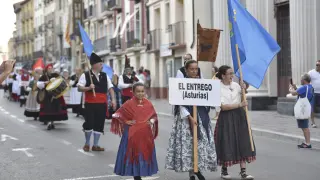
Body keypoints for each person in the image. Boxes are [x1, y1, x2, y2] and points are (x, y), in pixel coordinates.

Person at [165, 60, 217, 180]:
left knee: (200, 144)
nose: (194, 71)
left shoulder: (202, 83)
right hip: (186, 119)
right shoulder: (181, 84)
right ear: (186, 70)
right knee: (189, 145)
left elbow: (208, 98)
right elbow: (180, 103)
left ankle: (197, 169)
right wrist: (189, 117)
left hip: (201, 117)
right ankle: (192, 173)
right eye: (191, 69)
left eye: (196, 69)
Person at [214, 65, 255, 180]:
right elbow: (223, 107)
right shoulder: (218, 88)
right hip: (226, 117)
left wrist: (243, 91)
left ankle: (243, 172)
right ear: (223, 75)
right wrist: (239, 105)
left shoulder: (236, 85)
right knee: (226, 141)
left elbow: (243, 101)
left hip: (239, 116)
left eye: (232, 73)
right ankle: (224, 170)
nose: (232, 76)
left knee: (243, 141)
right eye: (230, 74)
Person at [111, 82, 159, 180]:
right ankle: (136, 176)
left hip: (145, 135)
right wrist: (125, 121)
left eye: (142, 91)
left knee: (143, 154)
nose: (140, 93)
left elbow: (154, 116)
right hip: (132, 135)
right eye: (138, 91)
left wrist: (151, 121)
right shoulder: (129, 103)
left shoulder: (148, 103)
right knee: (134, 155)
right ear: (133, 92)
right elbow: (117, 114)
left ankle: (141, 172)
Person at [77, 53, 117, 152]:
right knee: (89, 123)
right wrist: (88, 88)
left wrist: (113, 99)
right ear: (94, 65)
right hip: (90, 104)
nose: (102, 66)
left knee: (99, 124)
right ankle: (87, 143)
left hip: (102, 104)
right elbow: (79, 88)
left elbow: (110, 88)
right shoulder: (85, 75)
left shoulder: (104, 75)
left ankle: (95, 145)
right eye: (100, 64)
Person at [37, 64, 68, 130]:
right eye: (49, 68)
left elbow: (61, 81)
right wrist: (45, 83)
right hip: (47, 95)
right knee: (48, 110)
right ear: (46, 69)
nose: (50, 69)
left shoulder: (56, 75)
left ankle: (52, 123)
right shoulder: (43, 76)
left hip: (55, 95)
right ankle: (49, 123)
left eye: (51, 68)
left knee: (54, 110)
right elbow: (38, 84)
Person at [289, 74, 314, 148]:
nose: (300, 80)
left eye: (301, 79)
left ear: (304, 80)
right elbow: (302, 93)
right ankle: (307, 142)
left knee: (305, 127)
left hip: (302, 109)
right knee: (304, 126)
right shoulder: (310, 87)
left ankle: (308, 143)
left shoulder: (304, 87)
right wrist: (295, 87)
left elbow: (294, 93)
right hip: (306, 107)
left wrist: (291, 89)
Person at [307, 60, 320, 128]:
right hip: (313, 93)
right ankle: (313, 122)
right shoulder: (311, 72)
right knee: (312, 108)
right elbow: (306, 80)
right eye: (317, 65)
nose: (317, 66)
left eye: (319, 65)